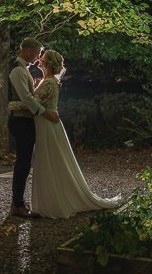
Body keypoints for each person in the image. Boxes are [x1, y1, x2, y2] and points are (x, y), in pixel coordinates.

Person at [30, 50, 121, 219]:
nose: (39, 59)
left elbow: (32, 103)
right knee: (50, 161)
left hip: (48, 125)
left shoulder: (49, 83)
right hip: (47, 124)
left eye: (43, 58)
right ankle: (52, 199)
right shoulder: (47, 80)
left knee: (50, 161)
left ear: (48, 63)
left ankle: (54, 202)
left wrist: (12, 105)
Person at [7, 38, 59, 218]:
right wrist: (45, 112)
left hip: (25, 121)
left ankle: (18, 202)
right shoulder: (17, 70)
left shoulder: (23, 70)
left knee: (25, 162)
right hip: (20, 122)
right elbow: (27, 98)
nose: (38, 58)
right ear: (28, 50)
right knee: (23, 163)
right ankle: (17, 204)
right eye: (37, 52)